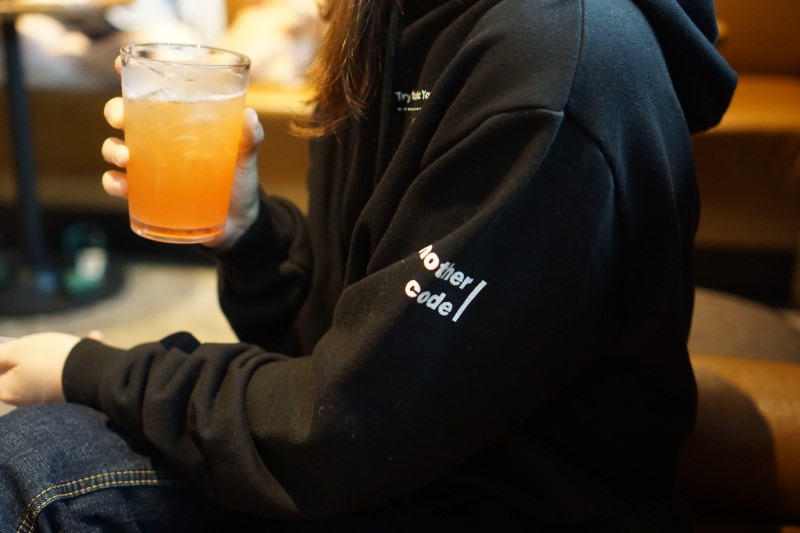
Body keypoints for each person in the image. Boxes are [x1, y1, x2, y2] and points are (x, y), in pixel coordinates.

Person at [0, 0, 736, 530]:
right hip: (385, 466)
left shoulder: (549, 69)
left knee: (29, 468)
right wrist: (251, 236)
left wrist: (89, 371)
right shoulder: (381, 21)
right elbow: (342, 348)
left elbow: (335, 430)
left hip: (488, 500)